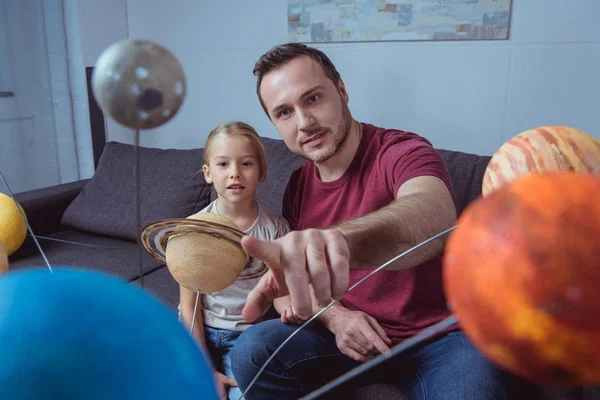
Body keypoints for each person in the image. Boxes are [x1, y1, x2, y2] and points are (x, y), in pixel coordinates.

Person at [230, 43, 508, 400]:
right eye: (284, 112)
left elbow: (433, 214)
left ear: (342, 90)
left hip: (441, 339)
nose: (304, 123)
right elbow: (299, 287)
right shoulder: (298, 185)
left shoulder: (402, 151)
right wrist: (337, 318)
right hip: (348, 338)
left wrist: (339, 242)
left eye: (313, 99)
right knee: (253, 348)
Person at [178, 122, 295, 400]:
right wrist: (204, 367)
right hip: (200, 331)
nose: (234, 173)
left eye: (246, 163)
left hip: (247, 337)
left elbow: (279, 293)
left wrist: (292, 311)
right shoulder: (193, 229)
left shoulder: (275, 229)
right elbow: (189, 305)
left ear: (262, 172)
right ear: (208, 173)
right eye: (223, 164)